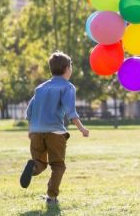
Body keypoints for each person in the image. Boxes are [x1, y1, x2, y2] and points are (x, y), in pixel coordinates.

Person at [19, 51, 90, 205]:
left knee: (40, 163)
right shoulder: (67, 87)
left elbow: (29, 111)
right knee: (58, 165)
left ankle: (32, 168)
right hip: (55, 132)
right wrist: (82, 129)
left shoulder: (40, 88)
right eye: (71, 67)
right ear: (66, 69)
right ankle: (51, 197)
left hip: (36, 132)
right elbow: (71, 111)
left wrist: (31, 131)